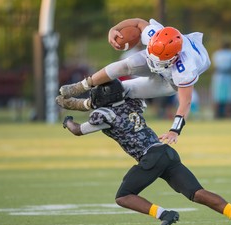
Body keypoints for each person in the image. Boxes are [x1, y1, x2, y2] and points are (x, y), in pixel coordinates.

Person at [62, 79, 231, 225]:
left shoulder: (104, 115)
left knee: (123, 196)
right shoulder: (132, 103)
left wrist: (67, 121)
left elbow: (78, 130)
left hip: (150, 157)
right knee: (197, 193)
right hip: (166, 152)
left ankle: (164, 214)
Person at [56, 18, 211, 144]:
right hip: (164, 58)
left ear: (175, 58)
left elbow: (185, 103)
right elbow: (137, 22)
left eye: (160, 60)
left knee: (122, 90)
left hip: (168, 82)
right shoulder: (155, 36)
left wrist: (174, 130)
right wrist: (114, 28)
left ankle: (85, 105)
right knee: (125, 65)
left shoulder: (185, 68)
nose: (154, 63)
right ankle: (81, 86)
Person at [211, 41, 231, 118]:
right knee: (228, 98)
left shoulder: (217, 54)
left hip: (219, 77)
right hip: (228, 76)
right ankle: (228, 115)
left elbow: (214, 67)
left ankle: (217, 115)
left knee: (218, 97)